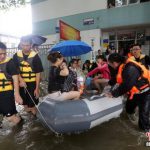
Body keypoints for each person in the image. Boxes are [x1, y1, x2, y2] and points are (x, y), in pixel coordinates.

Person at [106, 53, 150, 132]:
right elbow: (118, 77)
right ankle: (135, 116)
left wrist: (113, 94)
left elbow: (127, 85)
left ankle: (146, 134)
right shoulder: (122, 66)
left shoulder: (130, 68)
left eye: (110, 64)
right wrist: (109, 83)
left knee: (143, 120)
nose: (110, 66)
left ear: (115, 63)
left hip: (145, 94)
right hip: (134, 94)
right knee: (129, 110)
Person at [13, 36, 43, 115]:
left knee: (32, 104)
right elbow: (15, 70)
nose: (25, 47)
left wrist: (37, 88)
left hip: (32, 83)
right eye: (23, 45)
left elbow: (38, 73)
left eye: (27, 45)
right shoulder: (16, 55)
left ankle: (34, 117)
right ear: (20, 44)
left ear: (31, 45)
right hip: (21, 83)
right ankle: (28, 118)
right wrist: (20, 80)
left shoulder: (35, 56)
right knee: (24, 103)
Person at [0, 42, 23, 125]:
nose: (2, 56)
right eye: (0, 54)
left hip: (6, 93)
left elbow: (15, 78)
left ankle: (20, 127)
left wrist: (17, 94)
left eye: (4, 53)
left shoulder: (9, 62)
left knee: (10, 117)